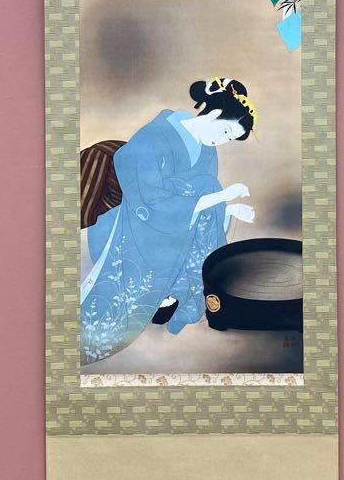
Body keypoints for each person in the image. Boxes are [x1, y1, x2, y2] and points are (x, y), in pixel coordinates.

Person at [80, 78, 256, 365]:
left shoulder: (206, 149)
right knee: (208, 188)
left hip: (173, 225)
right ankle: (162, 293)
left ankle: (176, 293)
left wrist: (228, 209)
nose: (222, 141)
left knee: (208, 186)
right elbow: (149, 202)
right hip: (131, 221)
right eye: (225, 131)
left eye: (229, 139)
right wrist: (220, 197)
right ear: (214, 113)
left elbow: (201, 201)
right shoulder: (152, 137)